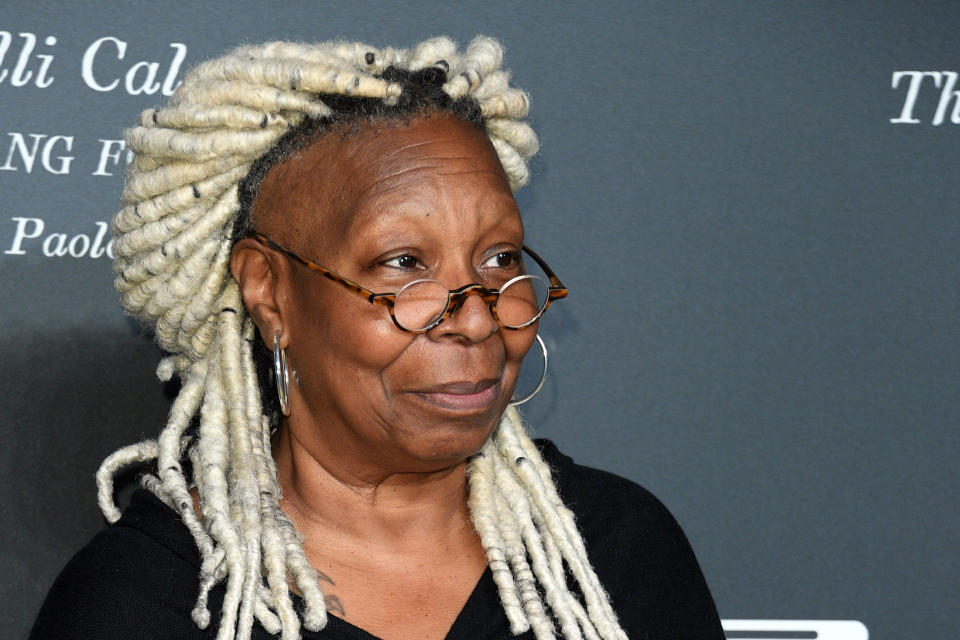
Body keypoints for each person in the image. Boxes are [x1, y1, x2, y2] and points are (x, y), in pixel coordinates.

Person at [30, 36, 724, 640]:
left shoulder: (615, 550)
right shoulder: (142, 606)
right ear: (269, 292)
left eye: (501, 259)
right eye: (404, 265)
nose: (478, 318)